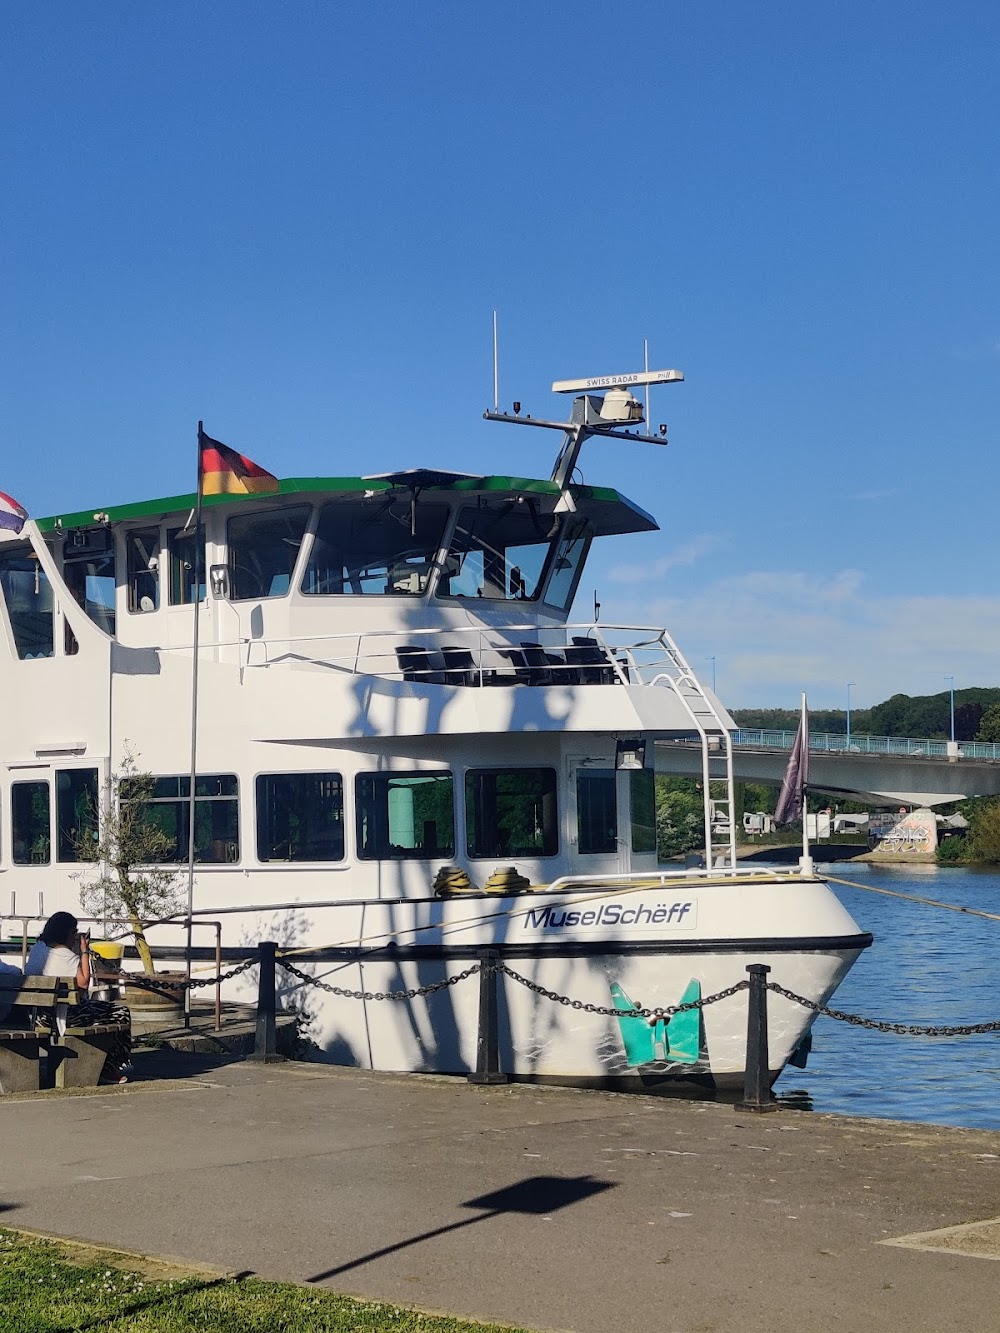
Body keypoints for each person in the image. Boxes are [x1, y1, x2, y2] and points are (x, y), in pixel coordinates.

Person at [26, 912, 133, 1084]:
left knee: (99, 1008)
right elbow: (83, 986)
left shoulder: (38, 949)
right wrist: (84, 951)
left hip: (38, 1016)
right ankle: (110, 1067)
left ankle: (108, 1065)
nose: (75, 936)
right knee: (120, 1012)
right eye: (74, 932)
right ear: (67, 933)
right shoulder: (66, 956)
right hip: (63, 1017)